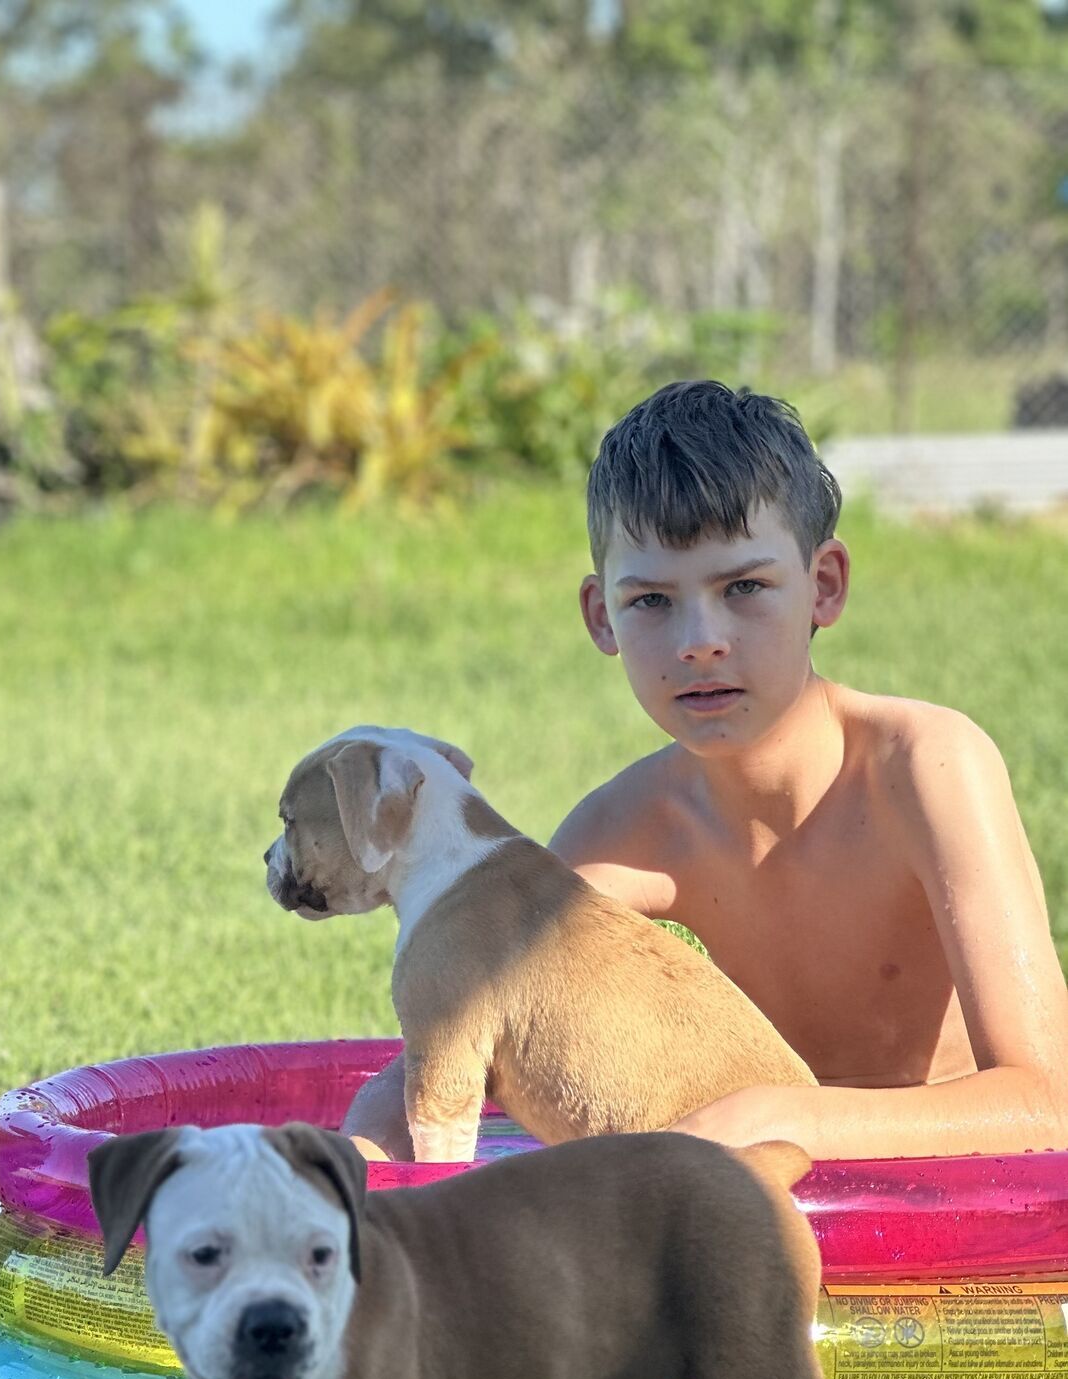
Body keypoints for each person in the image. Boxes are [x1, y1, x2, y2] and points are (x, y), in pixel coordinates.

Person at [346, 379, 1068, 1162]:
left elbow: (1048, 1106)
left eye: (745, 587)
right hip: (760, 1214)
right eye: (652, 600)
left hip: (979, 1234)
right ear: (601, 617)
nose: (700, 640)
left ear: (823, 586)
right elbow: (461, 1033)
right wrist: (352, 1163)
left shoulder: (926, 769)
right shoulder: (627, 832)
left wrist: (790, 1117)